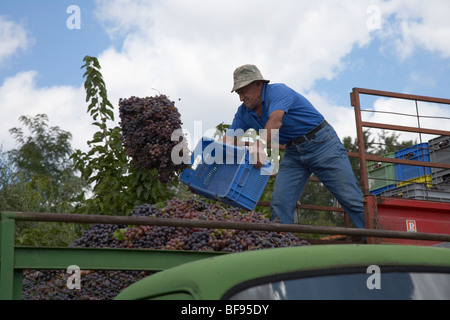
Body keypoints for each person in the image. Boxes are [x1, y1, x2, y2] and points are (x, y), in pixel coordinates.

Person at [224, 64, 365, 229]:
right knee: (279, 203)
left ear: (258, 84)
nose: (241, 98)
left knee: (351, 199)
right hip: (294, 153)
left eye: (243, 91)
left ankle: (378, 243)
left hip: (323, 144)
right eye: (238, 93)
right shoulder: (243, 112)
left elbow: (276, 120)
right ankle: (284, 249)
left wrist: (260, 145)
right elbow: (227, 141)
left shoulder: (277, 91)